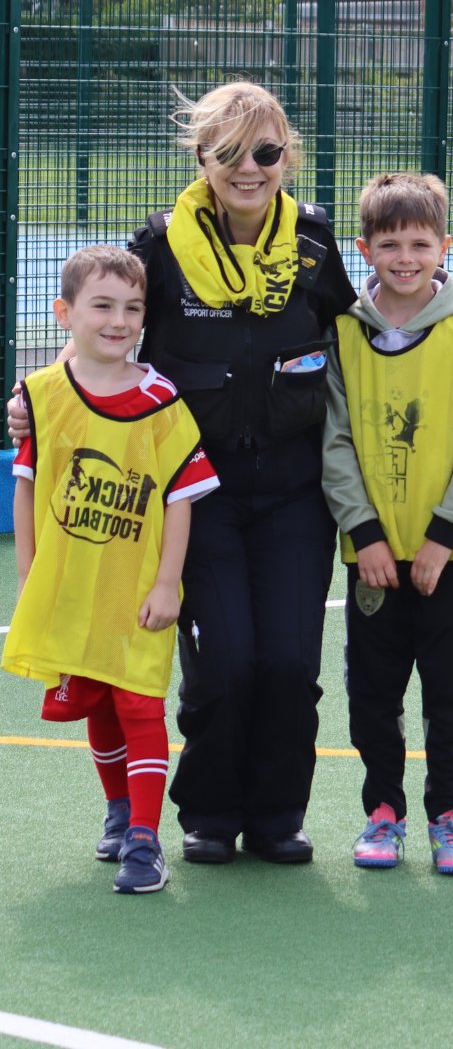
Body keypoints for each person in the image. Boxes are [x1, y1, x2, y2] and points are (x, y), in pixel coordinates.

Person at [8, 82, 359, 863]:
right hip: (195, 496)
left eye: (265, 152)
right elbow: (105, 334)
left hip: (297, 491)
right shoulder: (159, 248)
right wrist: (37, 404)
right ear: (201, 157)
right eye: (229, 152)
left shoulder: (315, 242)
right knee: (225, 658)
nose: (249, 168)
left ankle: (276, 818)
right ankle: (207, 815)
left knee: (290, 661)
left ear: (286, 159)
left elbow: (359, 338)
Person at [2, 246, 219, 893]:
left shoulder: (160, 400)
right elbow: (26, 485)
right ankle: (120, 809)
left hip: (136, 593)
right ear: (65, 312)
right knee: (96, 699)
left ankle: (147, 840)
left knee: (141, 702)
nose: (119, 320)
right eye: (102, 306)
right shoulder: (40, 396)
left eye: (132, 308)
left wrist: (165, 583)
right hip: (72, 591)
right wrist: (29, 574)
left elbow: (180, 500)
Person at [322, 172, 453, 875]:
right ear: (364, 248)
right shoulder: (343, 333)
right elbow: (333, 440)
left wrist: (442, 536)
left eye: (420, 242)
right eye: (390, 243)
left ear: (444, 245)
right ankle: (383, 812)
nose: (405, 256)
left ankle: (449, 817)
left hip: (447, 556)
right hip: (369, 553)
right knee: (372, 690)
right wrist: (364, 532)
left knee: (447, 692)